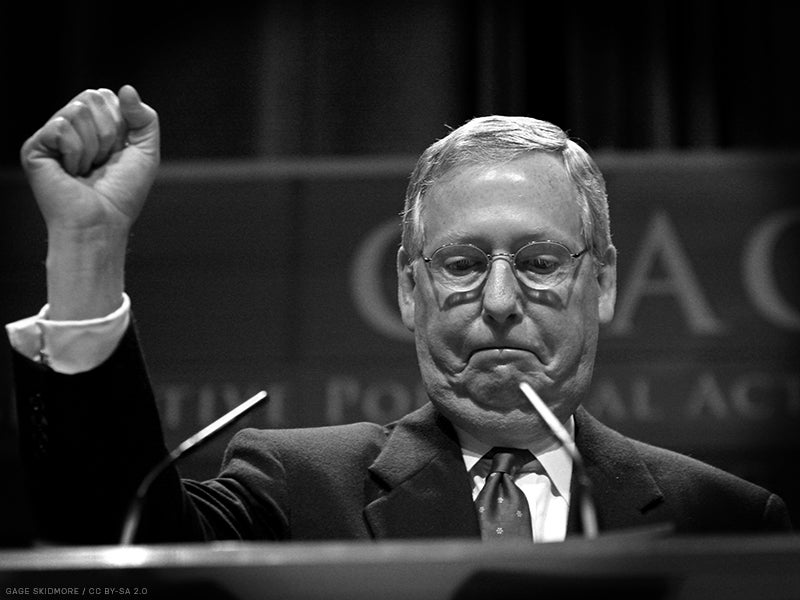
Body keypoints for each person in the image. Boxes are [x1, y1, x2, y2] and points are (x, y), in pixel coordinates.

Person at [7, 85, 792, 545]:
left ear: (606, 283)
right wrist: (88, 244)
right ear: (409, 290)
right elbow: (110, 549)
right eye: (459, 264)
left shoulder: (726, 521)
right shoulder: (295, 489)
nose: (498, 301)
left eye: (542, 262)